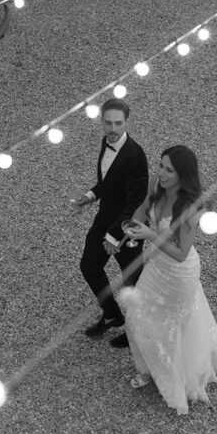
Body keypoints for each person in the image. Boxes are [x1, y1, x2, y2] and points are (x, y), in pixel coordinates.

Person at [118, 145, 217, 416]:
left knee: (169, 327)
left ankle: (170, 375)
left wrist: (150, 236)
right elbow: (143, 208)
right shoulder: (156, 185)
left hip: (179, 273)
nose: (161, 173)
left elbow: (180, 253)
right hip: (156, 267)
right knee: (135, 317)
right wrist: (132, 226)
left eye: (168, 170)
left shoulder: (189, 208)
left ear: (182, 175)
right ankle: (148, 367)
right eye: (161, 166)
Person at [72, 98, 149, 343]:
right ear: (101, 122)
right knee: (89, 265)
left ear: (126, 122)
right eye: (108, 123)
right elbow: (109, 181)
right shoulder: (105, 143)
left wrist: (115, 235)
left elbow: (135, 203)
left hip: (128, 227)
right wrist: (91, 195)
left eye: (118, 123)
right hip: (105, 216)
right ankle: (112, 314)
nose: (113, 129)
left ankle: (137, 329)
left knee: (132, 280)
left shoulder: (136, 156)